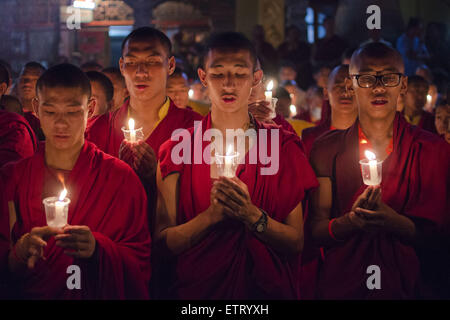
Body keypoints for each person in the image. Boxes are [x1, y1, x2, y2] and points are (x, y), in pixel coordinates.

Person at [154, 32, 318, 299]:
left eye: (240, 74)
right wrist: (211, 217)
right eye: (218, 74)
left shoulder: (281, 146)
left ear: (255, 78)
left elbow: (296, 242)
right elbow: (163, 243)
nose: (228, 85)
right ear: (203, 77)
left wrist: (250, 215)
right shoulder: (176, 149)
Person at [306, 42, 449, 299]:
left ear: (402, 85)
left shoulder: (433, 150)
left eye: (389, 77)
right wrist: (349, 222)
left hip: (411, 285)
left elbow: (440, 238)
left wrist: (395, 223)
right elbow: (316, 229)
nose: (379, 87)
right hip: (343, 283)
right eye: (367, 78)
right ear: (351, 85)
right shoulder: (326, 149)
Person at [0, 64, 151, 299]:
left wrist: (98, 249)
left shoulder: (120, 178)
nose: (61, 124)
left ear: (90, 109)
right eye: (50, 112)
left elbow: (140, 263)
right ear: (36, 108)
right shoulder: (12, 178)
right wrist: (20, 251)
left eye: (71, 112)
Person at [302, 65, 358, 156]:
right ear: (326, 93)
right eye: (338, 86)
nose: (345, 92)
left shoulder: (374, 137)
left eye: (352, 87)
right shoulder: (311, 138)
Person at [0, 63, 37, 168]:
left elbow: (11, 174)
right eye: (24, 79)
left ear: (1, 89)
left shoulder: (14, 128)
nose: (27, 84)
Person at [17, 62, 46, 141]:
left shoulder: (49, 118)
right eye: (23, 78)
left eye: (34, 79)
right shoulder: (9, 113)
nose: (27, 83)